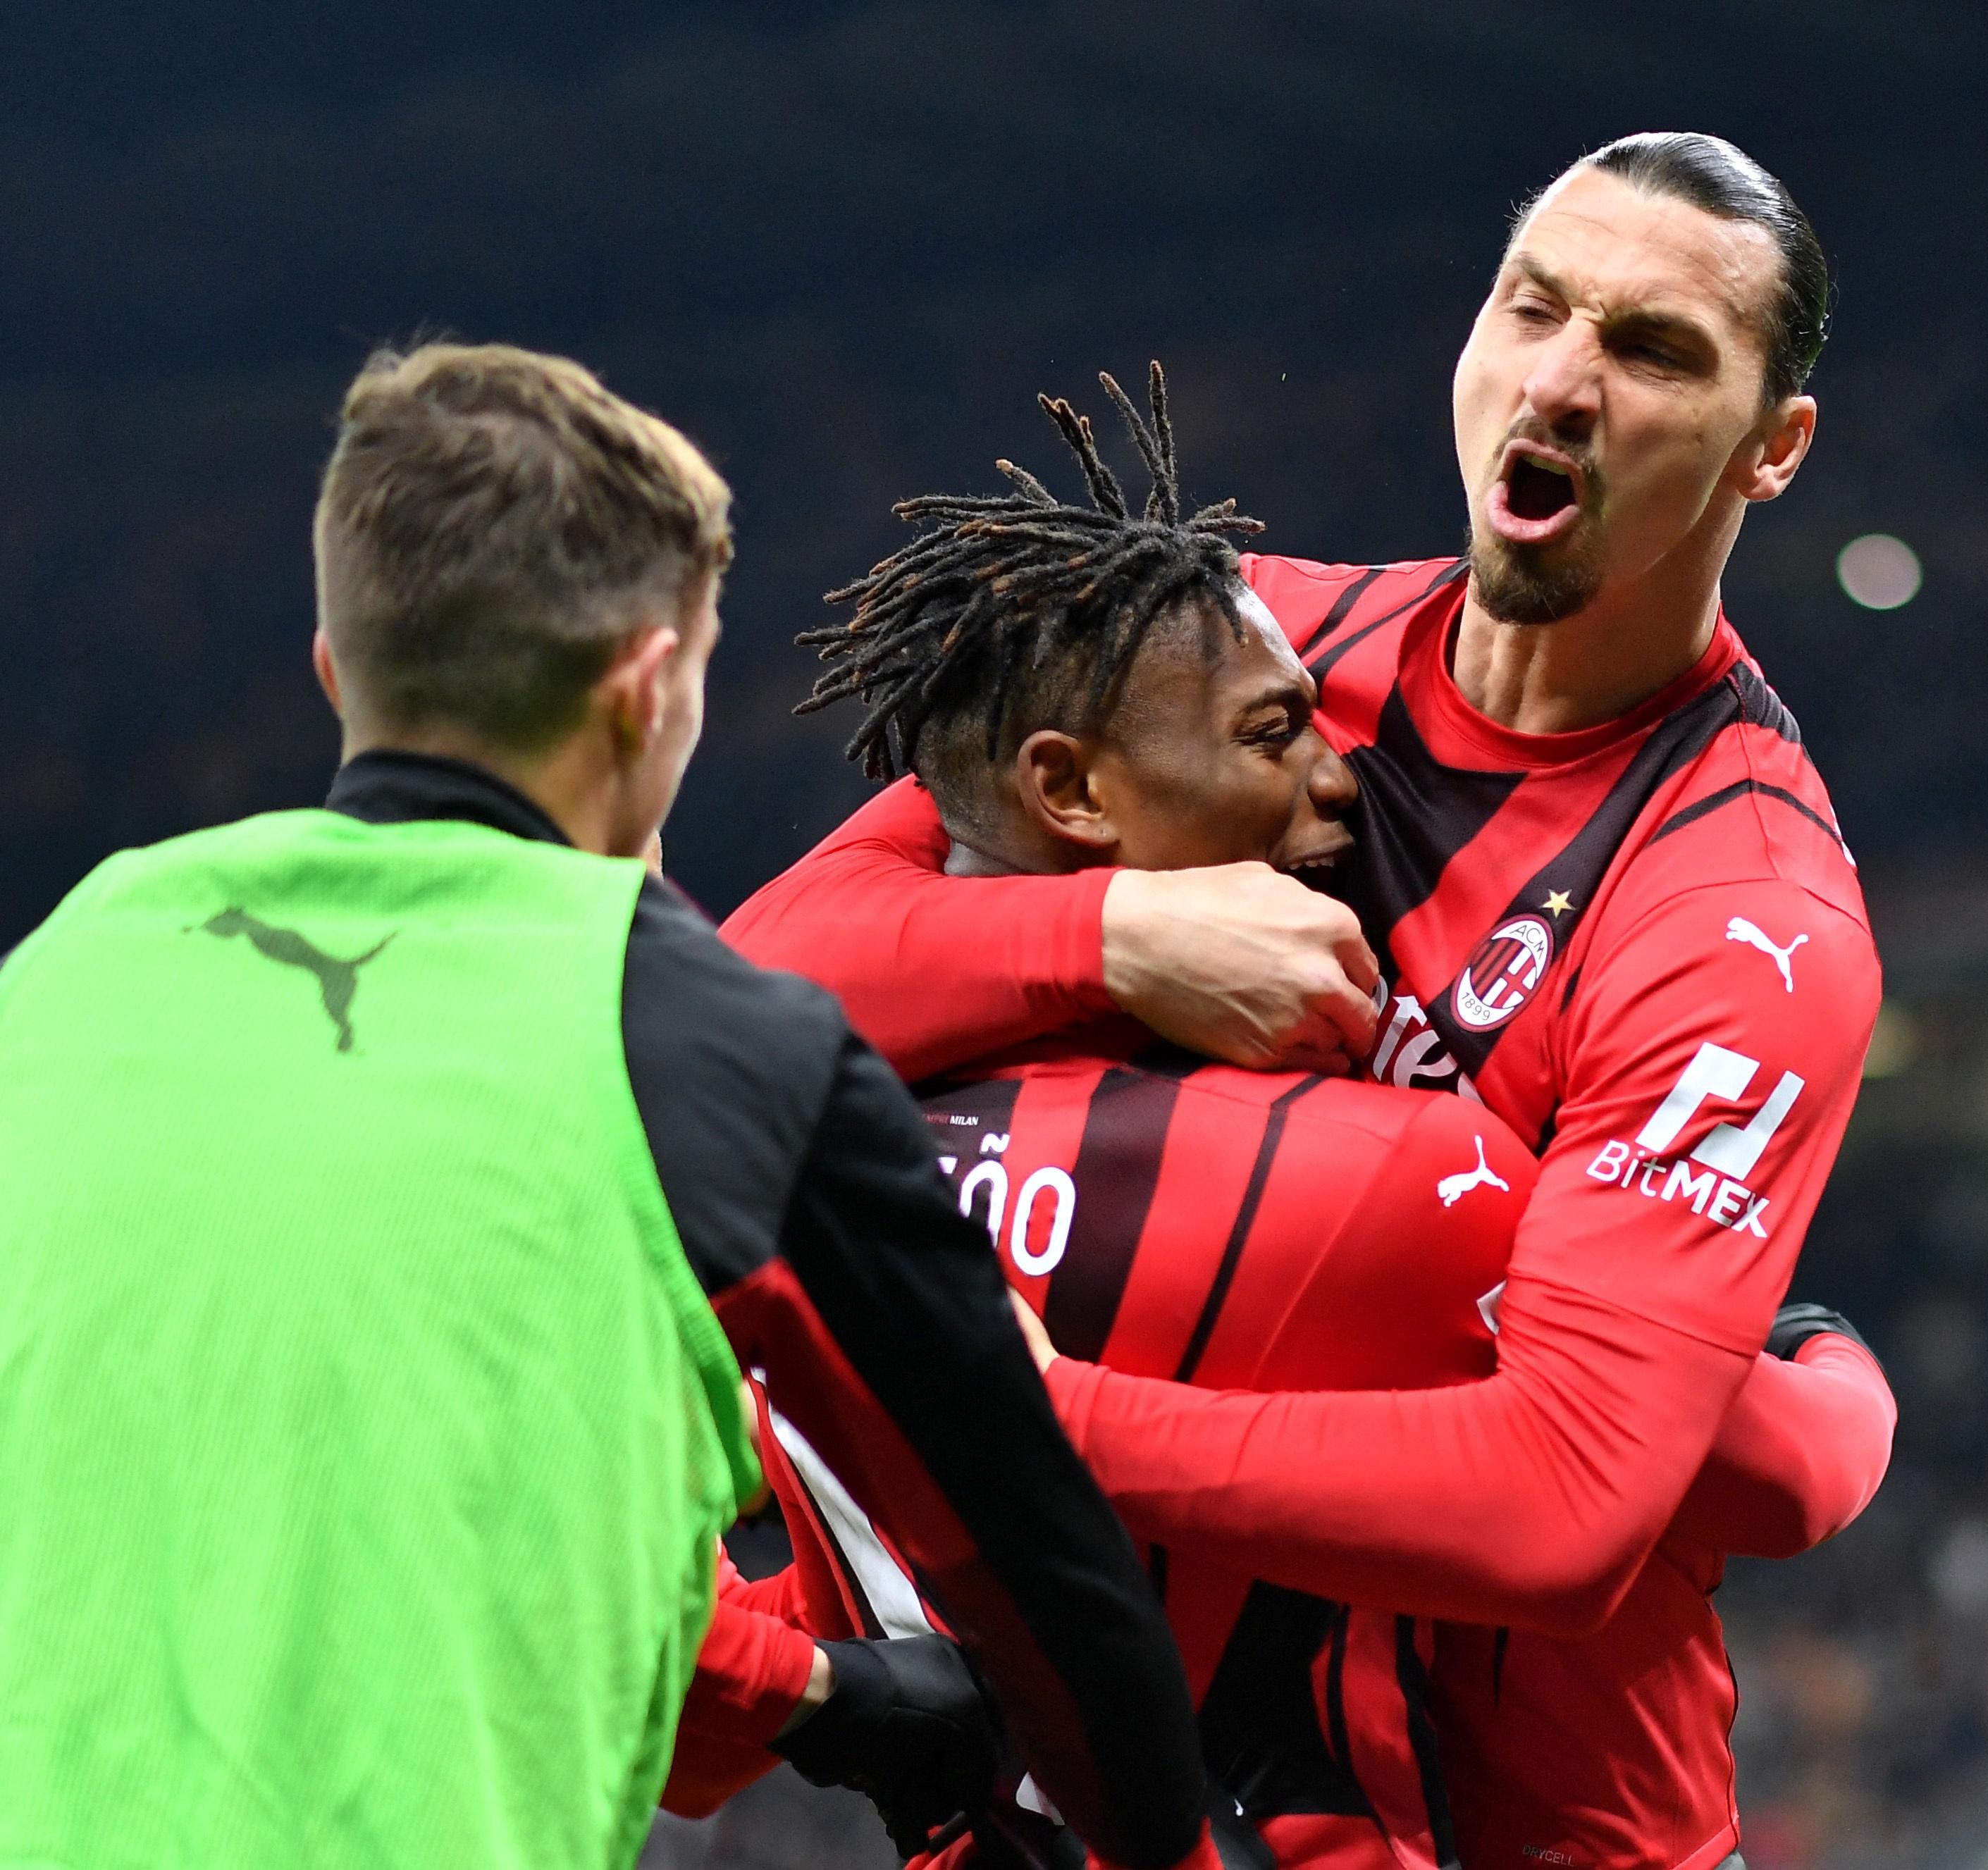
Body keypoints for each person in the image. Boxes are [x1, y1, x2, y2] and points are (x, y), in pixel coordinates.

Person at [727, 131, 1878, 1870]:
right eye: (1532, 309)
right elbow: (757, 986)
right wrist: (1112, 933)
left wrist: (1029, 1422)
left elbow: (1570, 1495)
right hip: (1124, 1780)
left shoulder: (1737, 914)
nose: (1560, 383)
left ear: (1769, 447)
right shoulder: (1238, 652)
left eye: (1652, 350)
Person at [0, 342, 1233, 1870]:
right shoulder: (707, 1044)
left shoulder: (67, 964)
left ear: (333, 668)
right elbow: (1044, 1581)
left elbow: (393, 1522)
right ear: (652, 693)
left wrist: (825, 1697)